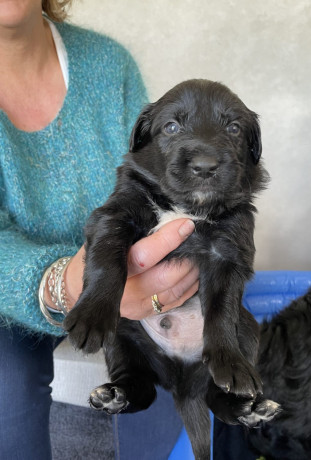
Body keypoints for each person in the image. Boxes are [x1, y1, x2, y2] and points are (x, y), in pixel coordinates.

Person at [0, 1, 199, 458]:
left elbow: (156, 183)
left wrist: (160, 262)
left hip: (124, 272)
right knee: (5, 391)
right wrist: (62, 284)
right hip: (8, 296)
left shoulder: (110, 67)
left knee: (172, 367)